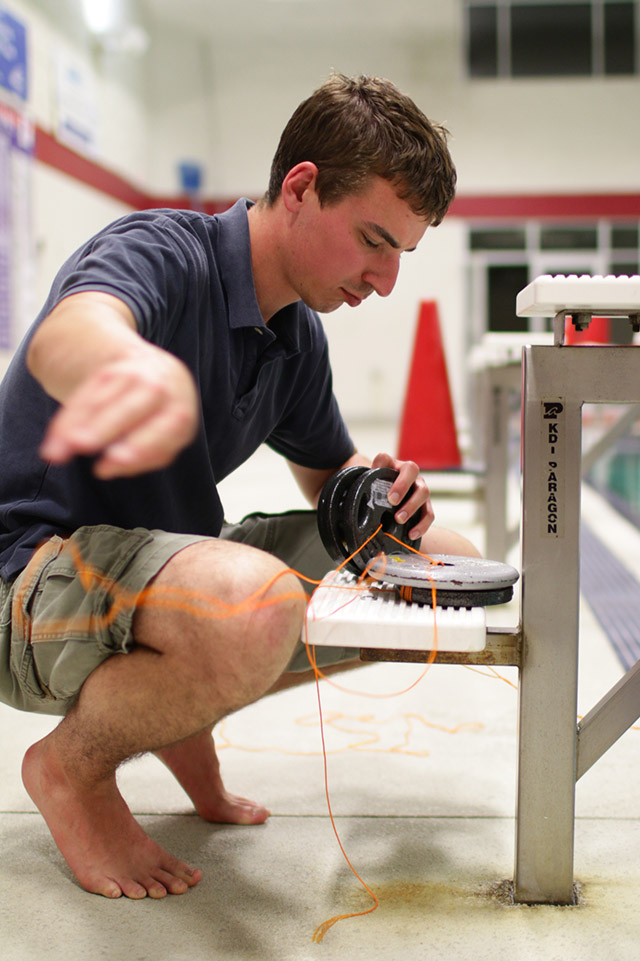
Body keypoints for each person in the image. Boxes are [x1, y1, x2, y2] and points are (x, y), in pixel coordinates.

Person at [0, 73, 479, 901]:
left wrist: (383, 492)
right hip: (30, 579)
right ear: (301, 186)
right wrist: (126, 368)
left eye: (400, 253)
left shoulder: (295, 332)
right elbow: (73, 331)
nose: (385, 279)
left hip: (154, 572)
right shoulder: (162, 252)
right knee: (254, 603)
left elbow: (329, 476)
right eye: (373, 240)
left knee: (439, 565)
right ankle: (71, 771)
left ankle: (181, 715)